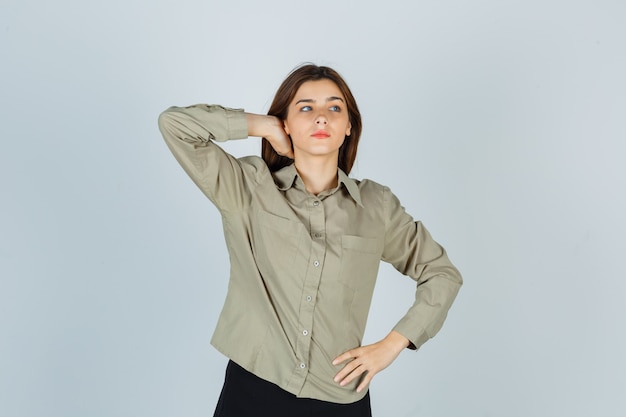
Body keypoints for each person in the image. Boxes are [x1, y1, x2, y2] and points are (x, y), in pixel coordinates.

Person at [158, 64, 462, 417]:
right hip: (252, 391)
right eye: (306, 107)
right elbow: (175, 125)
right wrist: (263, 125)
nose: (321, 118)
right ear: (286, 122)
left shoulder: (377, 207)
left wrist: (393, 345)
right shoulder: (248, 187)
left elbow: (442, 273)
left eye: (334, 108)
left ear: (349, 126)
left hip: (338, 399)